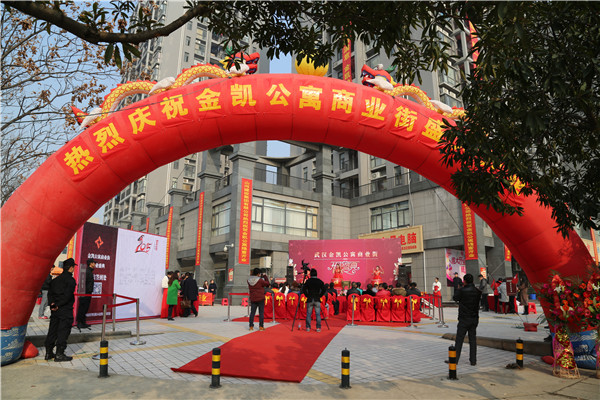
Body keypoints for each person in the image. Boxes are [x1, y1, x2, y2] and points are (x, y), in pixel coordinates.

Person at [44, 258, 77, 362]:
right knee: (63, 331)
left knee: (52, 331)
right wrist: (58, 304)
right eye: (73, 267)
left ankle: (48, 353)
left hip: (55, 310)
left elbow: (50, 294)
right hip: (65, 310)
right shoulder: (71, 281)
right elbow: (67, 296)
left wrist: (52, 304)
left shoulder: (55, 280)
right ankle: (59, 354)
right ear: (71, 268)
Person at [451, 273, 481, 366]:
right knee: (473, 340)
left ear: (465, 281)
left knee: (459, 339)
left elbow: (455, 298)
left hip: (464, 318)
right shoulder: (477, 291)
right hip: (474, 318)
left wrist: (459, 289)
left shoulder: (462, 290)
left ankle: (455, 359)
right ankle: (473, 360)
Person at [302, 268, 326, 332]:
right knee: (318, 314)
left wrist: (307, 295)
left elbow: (303, 289)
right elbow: (324, 289)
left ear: (310, 274)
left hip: (310, 299)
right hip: (317, 299)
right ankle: (318, 328)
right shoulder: (319, 281)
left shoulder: (308, 281)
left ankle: (308, 327)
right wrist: (320, 295)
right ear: (316, 274)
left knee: (308, 314)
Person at [76, 258, 96, 329]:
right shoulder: (87, 271)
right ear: (91, 263)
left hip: (88, 293)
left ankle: (83, 322)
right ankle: (79, 323)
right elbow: (82, 282)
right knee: (82, 308)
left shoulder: (89, 271)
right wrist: (81, 293)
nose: (95, 264)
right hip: (84, 293)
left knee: (85, 308)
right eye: (94, 262)